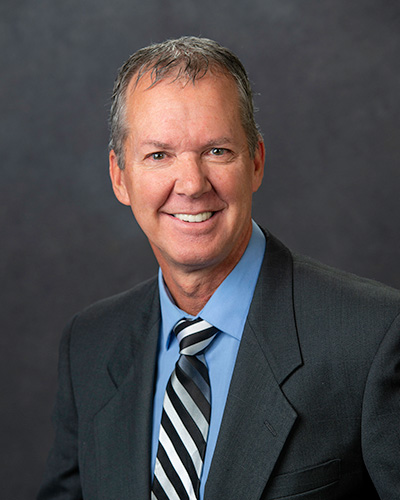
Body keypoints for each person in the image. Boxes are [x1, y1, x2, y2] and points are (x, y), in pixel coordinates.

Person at [37, 36, 400, 500]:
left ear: (256, 162)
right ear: (119, 176)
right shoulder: (89, 344)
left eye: (217, 151)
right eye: (158, 155)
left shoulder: (373, 337)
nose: (190, 184)